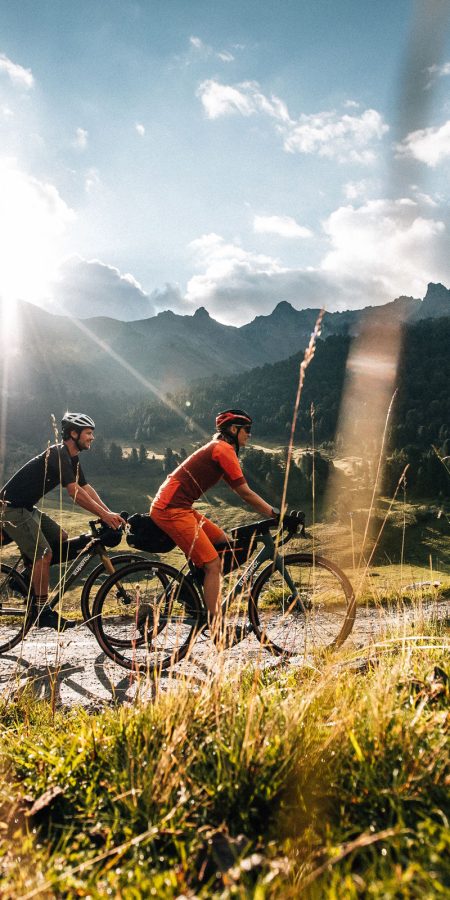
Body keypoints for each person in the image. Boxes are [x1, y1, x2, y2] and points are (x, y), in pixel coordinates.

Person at [150, 408, 279, 640]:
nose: (249, 435)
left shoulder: (219, 449)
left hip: (181, 506)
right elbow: (245, 493)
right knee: (214, 564)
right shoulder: (223, 449)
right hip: (170, 508)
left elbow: (239, 489)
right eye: (246, 430)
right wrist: (275, 514)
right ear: (233, 429)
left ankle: (189, 594)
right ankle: (217, 629)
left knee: (224, 543)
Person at [0, 412, 125, 630]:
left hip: (26, 508)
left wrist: (109, 513)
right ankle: (42, 611)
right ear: (74, 434)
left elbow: (86, 488)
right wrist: (103, 516)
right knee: (44, 554)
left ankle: (23, 580)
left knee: (62, 537)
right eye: (88, 433)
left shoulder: (70, 456)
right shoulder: (59, 453)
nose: (92, 438)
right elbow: (74, 492)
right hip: (12, 509)